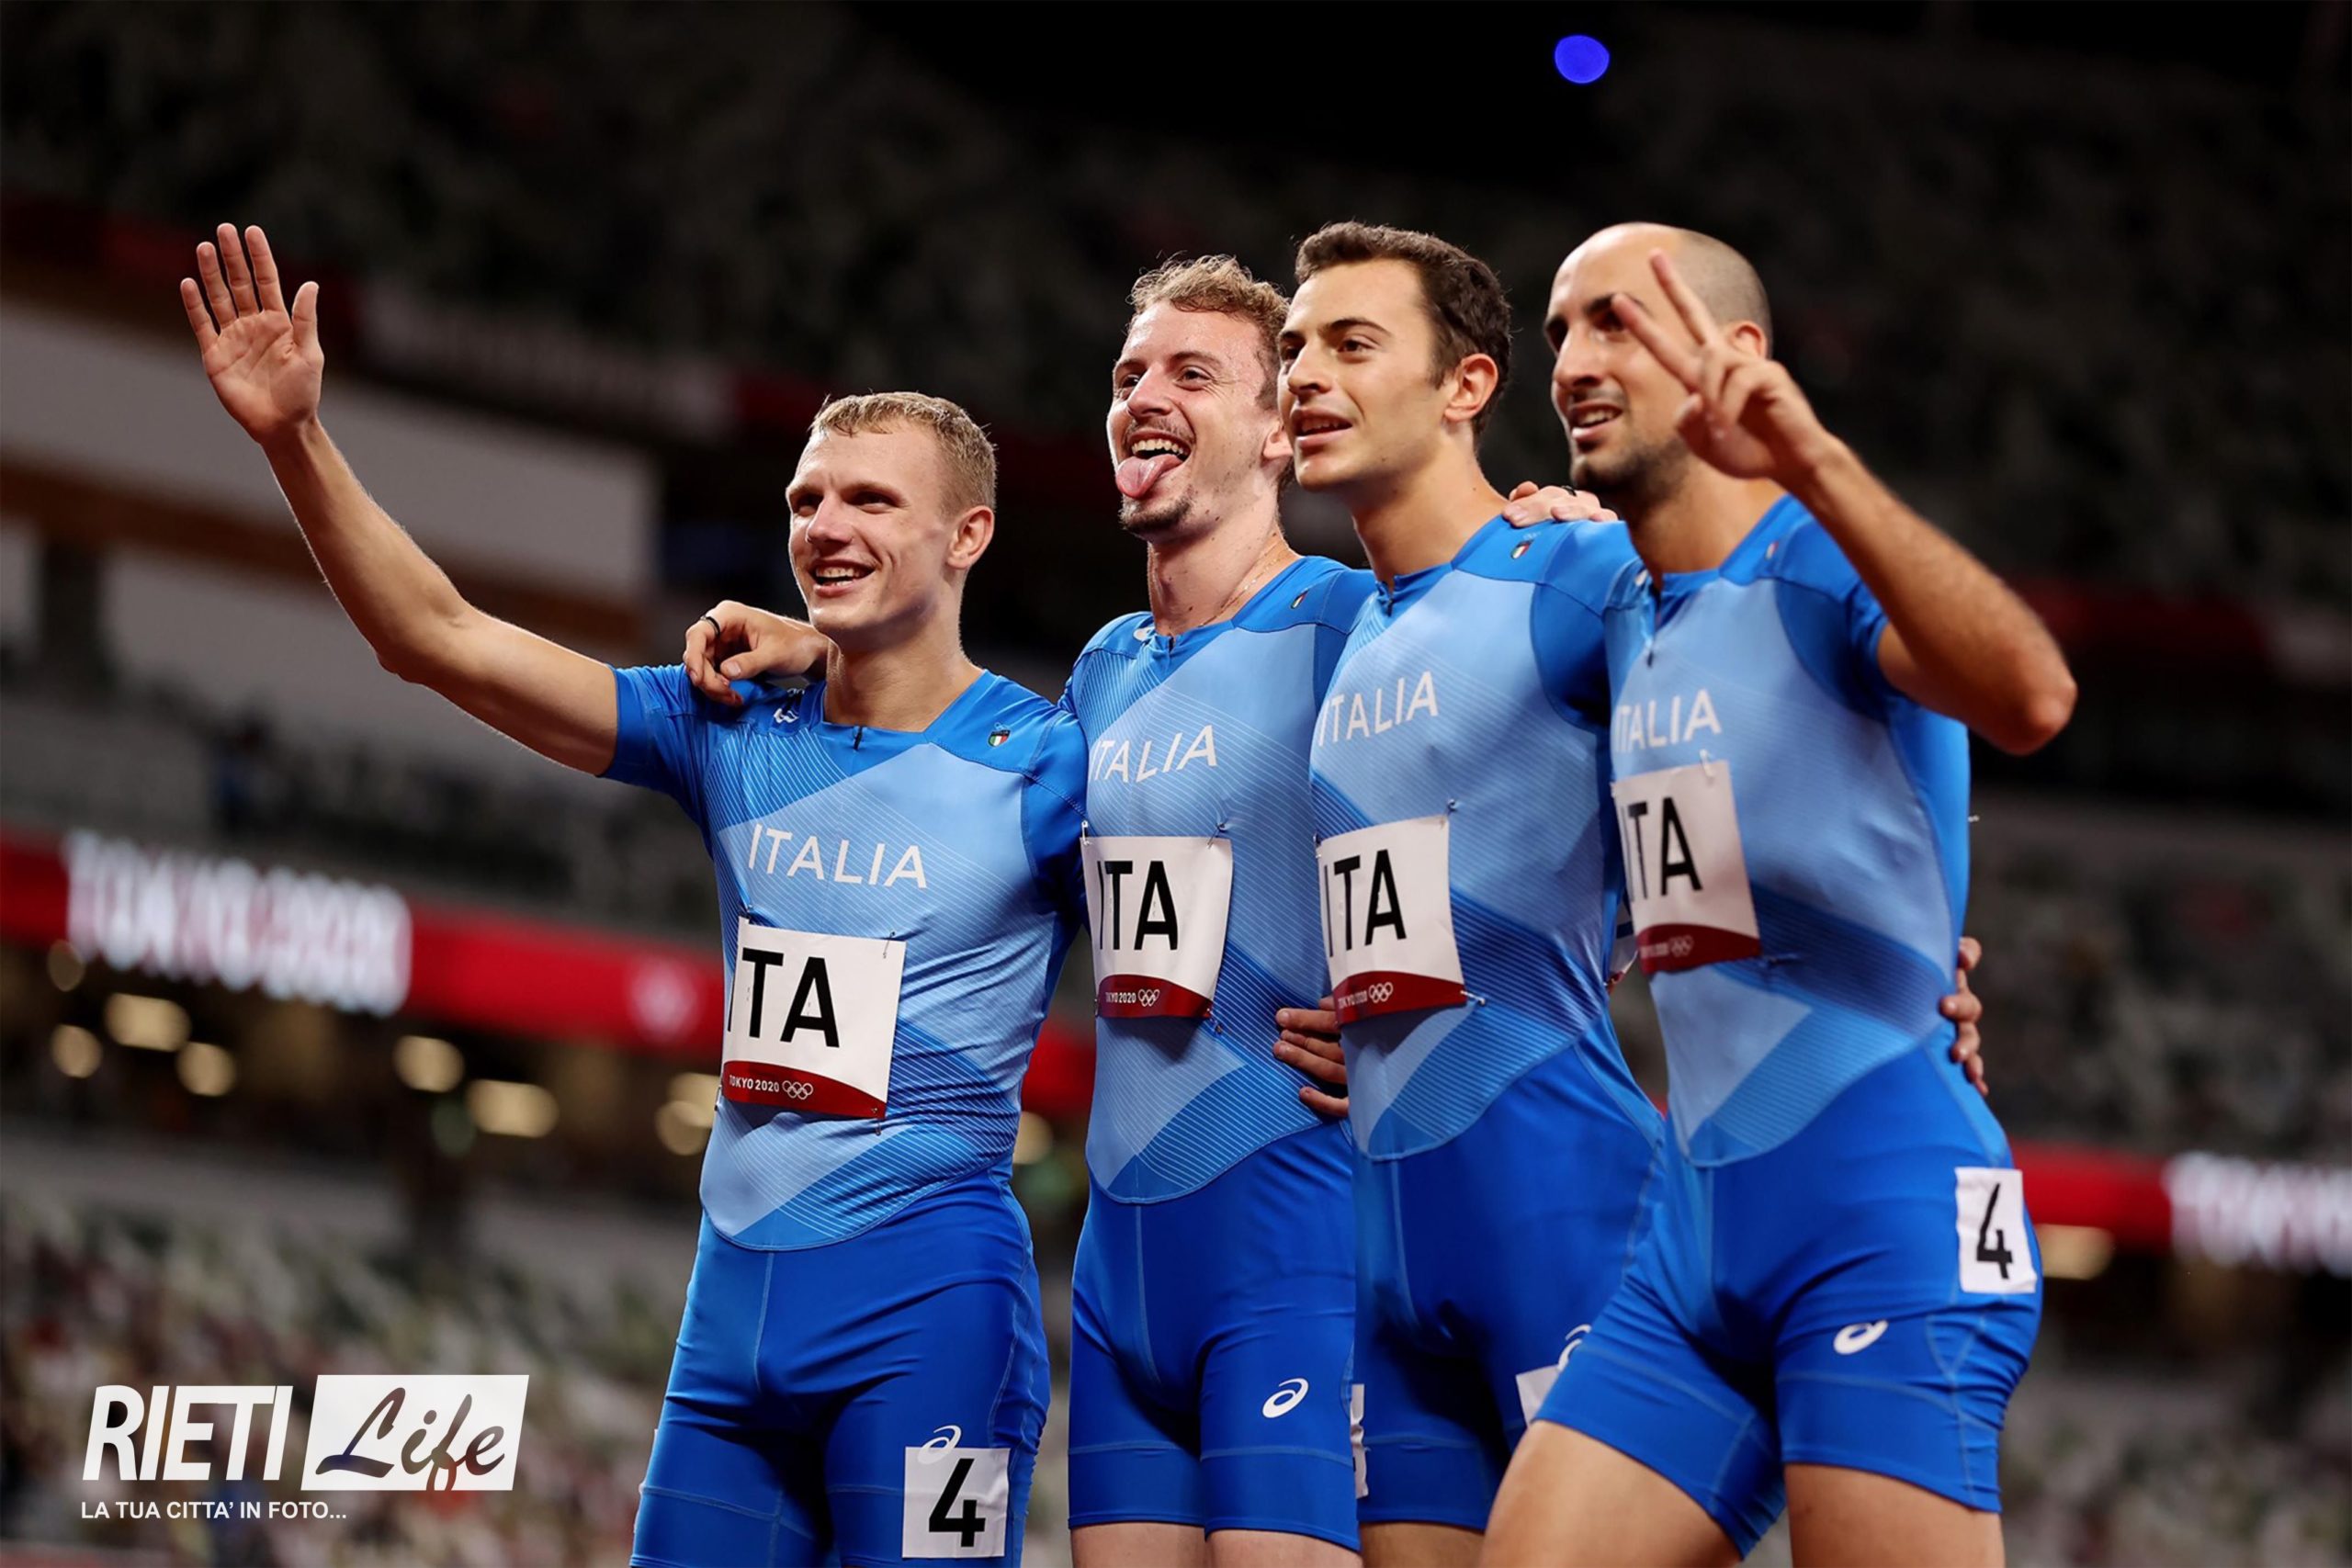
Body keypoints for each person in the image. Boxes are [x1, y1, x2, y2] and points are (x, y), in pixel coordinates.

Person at [179, 223, 1085, 1567]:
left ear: (970, 534)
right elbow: (434, 637)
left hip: (930, 1318)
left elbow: (1231, 857)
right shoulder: (729, 722)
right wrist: (295, 439)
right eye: (805, 501)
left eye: (870, 502)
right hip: (733, 1321)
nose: (825, 529)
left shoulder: (1050, 761)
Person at [688, 254, 1607, 1567]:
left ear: (1280, 428)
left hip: (1295, 1242)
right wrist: (832, 648)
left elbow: (1555, 793)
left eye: (1192, 373)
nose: (1144, 398)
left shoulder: (1355, 620)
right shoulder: (1104, 672)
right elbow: (969, 782)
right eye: (1128, 375)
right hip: (1121, 1282)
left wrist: (1450, 1010)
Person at [1484, 225, 2076, 1568]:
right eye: (1561, 330)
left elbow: (2035, 697)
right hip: (1694, 1243)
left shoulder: (1823, 561)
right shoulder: (1621, 608)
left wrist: (1809, 456)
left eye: (1617, 322)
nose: (1570, 362)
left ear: (1733, 355)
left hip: (1881, 1216)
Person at [1275, 221, 1668, 1568]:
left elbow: (1775, 728)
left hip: (1566, 1209)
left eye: (1351, 344)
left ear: (1467, 384)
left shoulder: (1580, 570)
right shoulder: (1349, 629)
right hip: (1388, 1248)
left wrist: (1915, 956)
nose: (1305, 375)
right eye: (1294, 348)